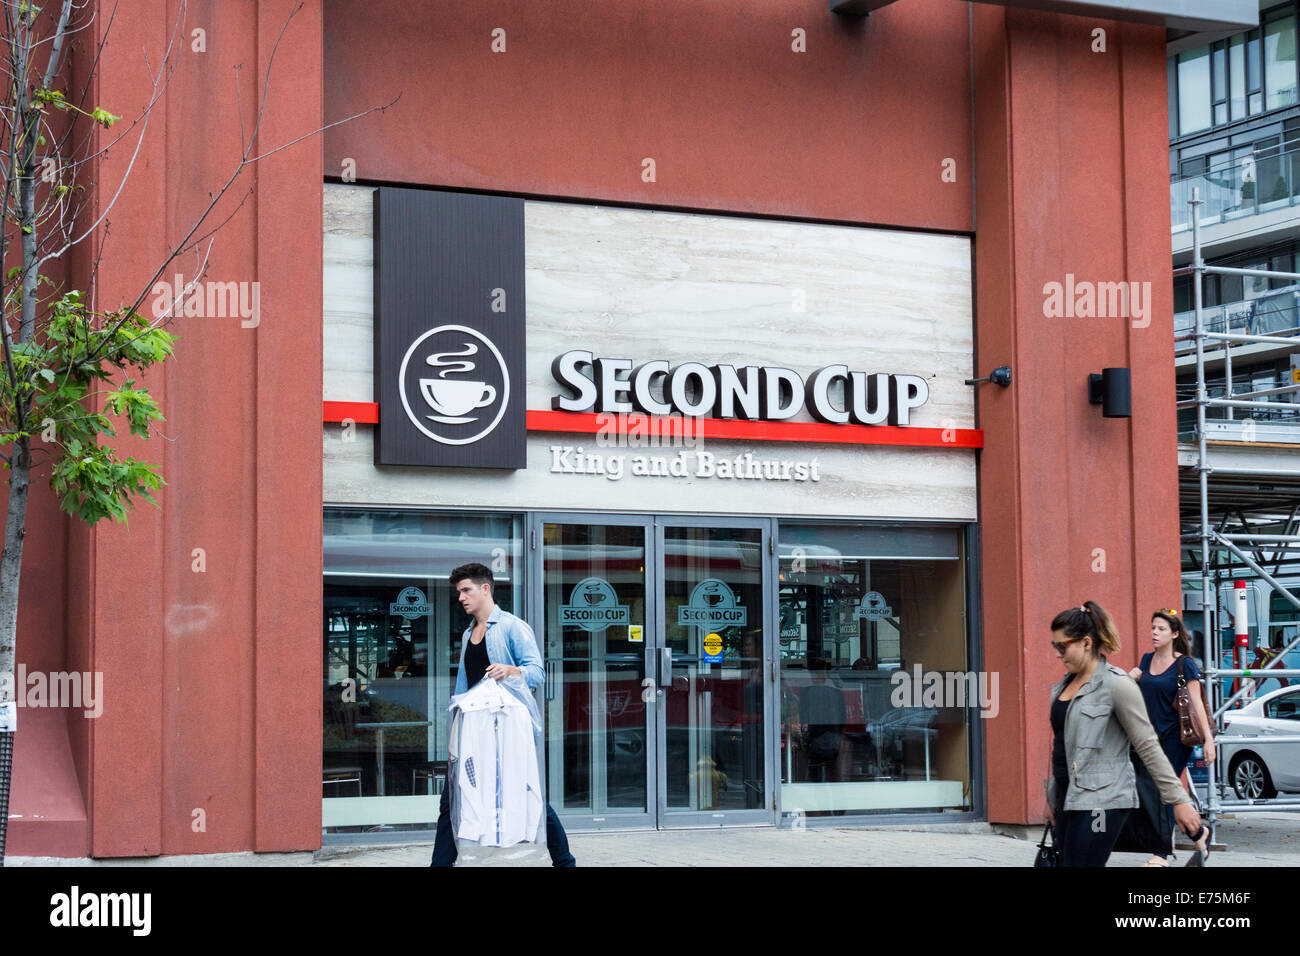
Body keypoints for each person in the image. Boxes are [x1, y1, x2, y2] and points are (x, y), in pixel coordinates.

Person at [430, 563, 576, 867]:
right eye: (458, 592)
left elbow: (537, 672)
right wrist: (455, 727)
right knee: (452, 799)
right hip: (473, 728)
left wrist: (510, 671)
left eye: (466, 590)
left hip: (505, 729)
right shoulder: (467, 634)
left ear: (486, 589)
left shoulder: (512, 627)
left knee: (527, 794)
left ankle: (565, 862)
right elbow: (464, 688)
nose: (461, 597)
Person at [1044, 601, 1210, 867]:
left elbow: (1148, 746)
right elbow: (1062, 749)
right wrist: (1052, 799)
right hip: (1068, 799)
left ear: (1086, 642)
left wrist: (1179, 800)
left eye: (1062, 646)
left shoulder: (1116, 684)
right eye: (1055, 646)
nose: (1057, 654)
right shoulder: (1062, 688)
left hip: (1102, 802)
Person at [1126, 608, 1216, 866]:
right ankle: (1199, 832)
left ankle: (1162, 854)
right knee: (1156, 791)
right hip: (1149, 739)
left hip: (1177, 740)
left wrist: (1209, 741)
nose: (1155, 632)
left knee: (1163, 791)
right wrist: (1132, 678)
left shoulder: (1184, 664)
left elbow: (1198, 705)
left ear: (1175, 633)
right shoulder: (1146, 660)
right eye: (1153, 627)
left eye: (1161, 629)